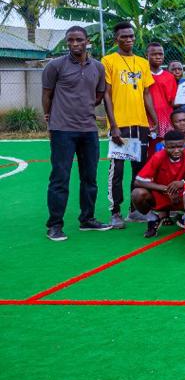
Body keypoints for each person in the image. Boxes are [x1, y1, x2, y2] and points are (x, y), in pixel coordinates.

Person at [43, 26, 115, 240]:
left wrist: (83, 107)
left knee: (89, 177)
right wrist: (50, 118)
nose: (75, 44)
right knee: (60, 178)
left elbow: (99, 95)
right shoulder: (55, 66)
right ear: (67, 42)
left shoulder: (98, 68)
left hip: (88, 130)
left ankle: (87, 219)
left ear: (87, 41)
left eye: (79, 40)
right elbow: (47, 95)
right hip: (62, 129)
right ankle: (54, 225)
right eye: (71, 40)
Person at [102, 21, 157, 228]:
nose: (128, 40)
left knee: (139, 170)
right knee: (117, 171)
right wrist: (113, 124)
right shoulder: (108, 61)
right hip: (121, 124)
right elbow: (106, 93)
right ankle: (115, 212)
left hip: (140, 124)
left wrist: (154, 120)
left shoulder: (142, 63)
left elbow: (146, 93)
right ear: (116, 39)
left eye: (131, 36)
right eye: (124, 36)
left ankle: (134, 211)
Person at [131, 130, 185, 237]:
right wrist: (166, 189)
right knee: (137, 194)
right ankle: (153, 218)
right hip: (162, 195)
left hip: (184, 194)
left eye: (180, 146)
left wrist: (183, 183)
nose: (176, 150)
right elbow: (138, 181)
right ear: (165, 145)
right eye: (171, 147)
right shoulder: (158, 156)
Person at [146, 42, 177, 138]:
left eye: (160, 54)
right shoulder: (143, 74)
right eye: (154, 54)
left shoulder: (170, 77)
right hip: (148, 119)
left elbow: (173, 102)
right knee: (149, 148)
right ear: (146, 55)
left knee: (164, 147)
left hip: (166, 118)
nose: (158, 57)